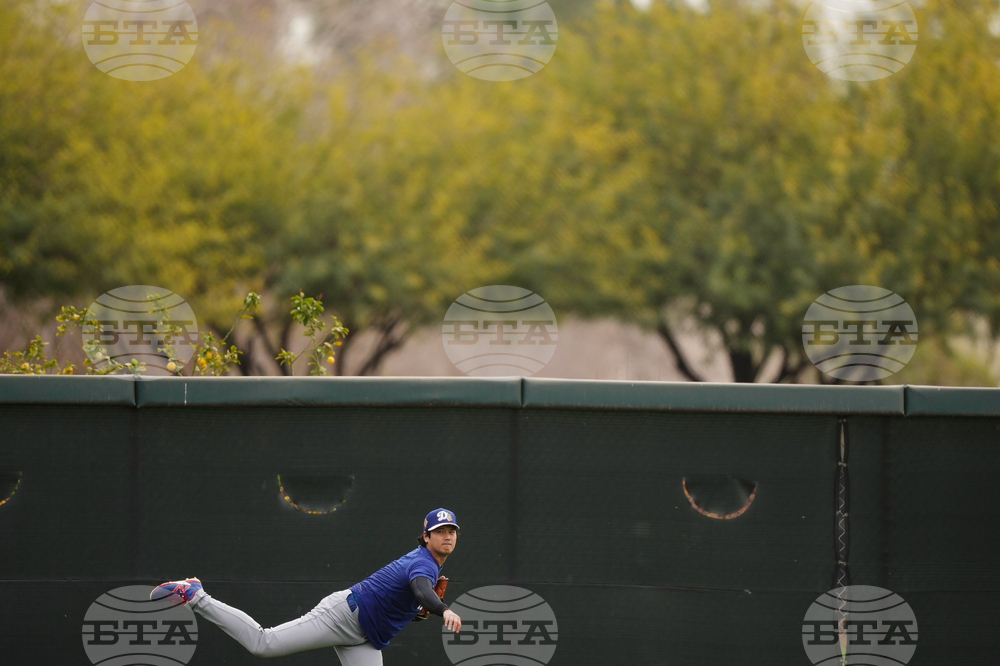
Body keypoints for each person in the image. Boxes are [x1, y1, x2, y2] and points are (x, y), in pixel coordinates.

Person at [151, 508, 463, 666]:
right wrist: (443, 609)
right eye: (440, 531)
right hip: (345, 616)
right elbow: (422, 590)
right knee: (264, 644)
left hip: (366, 639)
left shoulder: (431, 565)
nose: (447, 536)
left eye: (452, 531)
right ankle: (195, 594)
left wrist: (413, 612)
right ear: (425, 536)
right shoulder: (423, 563)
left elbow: (414, 596)